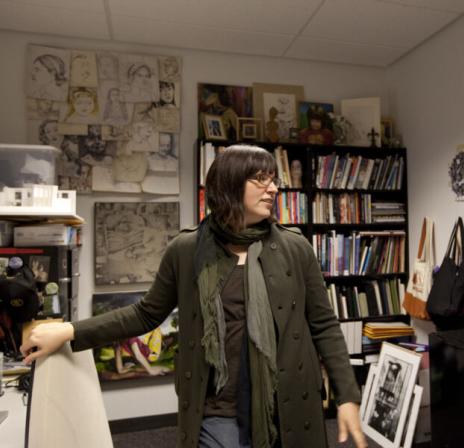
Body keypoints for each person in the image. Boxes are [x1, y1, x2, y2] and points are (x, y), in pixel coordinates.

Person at [21, 144, 367, 448]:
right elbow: (145, 314)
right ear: (230, 185)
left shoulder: (295, 248)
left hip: (287, 403)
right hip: (216, 409)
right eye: (261, 179)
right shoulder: (186, 250)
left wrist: (347, 395)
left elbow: (324, 325)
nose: (273, 188)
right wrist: (69, 331)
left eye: (274, 179)